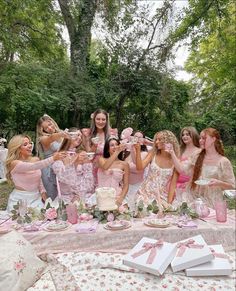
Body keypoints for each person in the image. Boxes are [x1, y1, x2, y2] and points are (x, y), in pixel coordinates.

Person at [168, 128, 235, 208]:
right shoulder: (197, 155)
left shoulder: (223, 161)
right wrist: (172, 153)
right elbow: (182, 170)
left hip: (212, 202)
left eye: (204, 138)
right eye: (200, 138)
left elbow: (232, 186)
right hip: (193, 197)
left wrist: (219, 183)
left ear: (213, 139)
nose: (200, 141)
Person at [5, 135, 66, 212]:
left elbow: (39, 180)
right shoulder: (14, 163)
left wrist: (45, 196)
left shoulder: (35, 159)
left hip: (36, 200)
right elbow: (33, 166)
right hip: (20, 200)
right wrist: (53, 158)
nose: (30, 146)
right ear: (18, 148)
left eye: (30, 143)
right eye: (25, 144)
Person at [135, 130, 180, 211]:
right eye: (156, 139)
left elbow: (173, 185)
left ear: (167, 141)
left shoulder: (175, 161)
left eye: (159, 139)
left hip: (162, 195)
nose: (156, 142)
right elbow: (139, 167)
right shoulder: (153, 153)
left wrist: (169, 204)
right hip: (145, 193)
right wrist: (137, 150)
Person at [52, 128, 94, 204]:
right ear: (68, 136)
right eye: (77, 135)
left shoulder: (82, 153)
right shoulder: (59, 155)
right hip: (66, 197)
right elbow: (65, 179)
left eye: (81, 136)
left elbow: (89, 183)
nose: (80, 138)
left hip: (83, 195)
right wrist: (75, 162)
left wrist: (79, 196)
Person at [36, 114, 69, 200]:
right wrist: (60, 134)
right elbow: (50, 138)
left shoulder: (61, 134)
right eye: (46, 128)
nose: (49, 128)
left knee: (64, 195)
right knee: (53, 197)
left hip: (63, 166)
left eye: (50, 124)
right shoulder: (43, 138)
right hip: (49, 170)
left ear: (53, 122)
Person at [82, 109, 118, 185]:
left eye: (103, 119)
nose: (100, 122)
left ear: (106, 120)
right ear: (94, 120)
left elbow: (116, 151)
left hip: (108, 165)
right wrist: (94, 145)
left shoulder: (112, 133)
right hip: (93, 167)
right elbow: (89, 154)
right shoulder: (87, 133)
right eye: (98, 119)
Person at [169, 126, 201, 204]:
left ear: (193, 135)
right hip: (174, 182)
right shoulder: (180, 150)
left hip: (188, 185)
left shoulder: (199, 151)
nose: (184, 137)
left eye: (187, 134)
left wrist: (189, 184)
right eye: (183, 135)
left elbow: (197, 171)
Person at [97, 137, 129, 206]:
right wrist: (117, 151)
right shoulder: (101, 160)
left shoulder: (124, 164)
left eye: (116, 144)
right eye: (112, 145)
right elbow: (105, 167)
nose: (115, 147)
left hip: (117, 195)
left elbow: (126, 185)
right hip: (101, 195)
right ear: (107, 149)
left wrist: (120, 199)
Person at [123, 131, 149, 211]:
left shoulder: (144, 153)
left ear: (143, 141)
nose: (137, 139)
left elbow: (138, 168)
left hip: (136, 187)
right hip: (124, 186)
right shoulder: (126, 153)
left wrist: (134, 149)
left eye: (140, 137)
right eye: (135, 136)